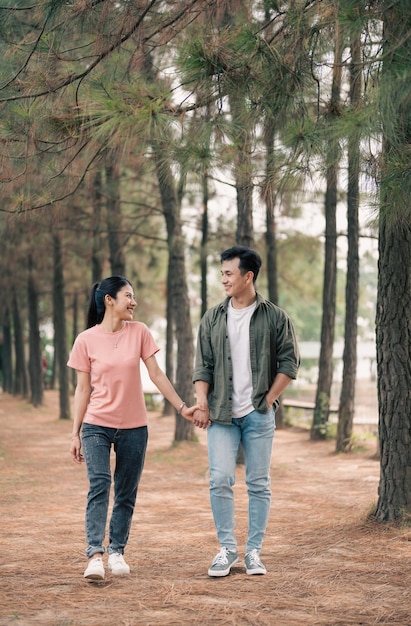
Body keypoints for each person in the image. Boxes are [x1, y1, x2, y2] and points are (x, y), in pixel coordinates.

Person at [68, 275, 197, 581]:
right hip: (96, 425)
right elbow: (82, 390)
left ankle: (116, 551)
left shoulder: (139, 332)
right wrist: (74, 433)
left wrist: (182, 408)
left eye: (134, 296)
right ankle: (95, 556)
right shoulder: (85, 339)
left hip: (134, 427)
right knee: (99, 485)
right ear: (109, 300)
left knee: (126, 492)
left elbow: (156, 374)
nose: (134, 302)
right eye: (128, 295)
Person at [192, 246, 300, 577]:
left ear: (247, 276)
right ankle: (227, 549)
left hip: (258, 414)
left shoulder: (275, 317)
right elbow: (203, 365)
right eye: (222, 273)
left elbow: (289, 362)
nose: (223, 279)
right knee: (220, 479)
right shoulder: (212, 317)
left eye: (228, 273)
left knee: (258, 483)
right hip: (221, 416)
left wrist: (268, 401)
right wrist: (202, 401)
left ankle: (253, 551)